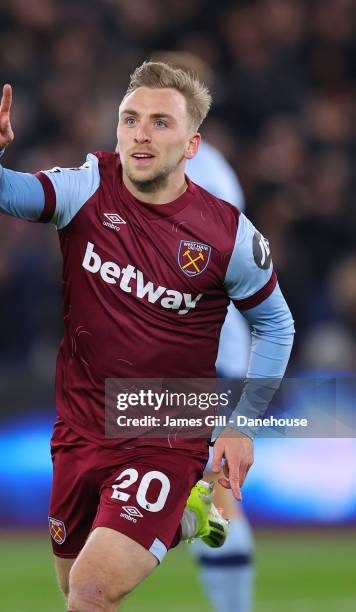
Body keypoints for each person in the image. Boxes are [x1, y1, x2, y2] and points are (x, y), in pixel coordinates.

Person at [0, 61, 294, 611]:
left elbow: (276, 323)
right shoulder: (86, 186)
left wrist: (241, 425)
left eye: (161, 122)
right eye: (130, 118)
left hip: (166, 421)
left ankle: (185, 501)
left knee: (89, 594)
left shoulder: (228, 233)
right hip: (81, 424)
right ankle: (186, 517)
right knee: (75, 589)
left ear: (192, 145)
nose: (141, 132)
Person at [153, 50, 254, 612]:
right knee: (184, 492)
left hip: (203, 356)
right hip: (183, 356)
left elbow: (209, 267)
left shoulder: (203, 173)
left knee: (205, 496)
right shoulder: (169, 164)